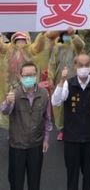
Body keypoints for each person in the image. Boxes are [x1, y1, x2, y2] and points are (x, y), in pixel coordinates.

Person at [52, 53, 90, 190]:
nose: (83, 68)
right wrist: (61, 81)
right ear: (75, 66)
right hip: (71, 138)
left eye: (86, 65)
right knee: (72, 175)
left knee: (88, 175)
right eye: (80, 65)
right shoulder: (68, 84)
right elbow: (56, 101)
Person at [0, 62, 52, 190]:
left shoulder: (44, 94)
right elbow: (5, 111)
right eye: (26, 75)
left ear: (36, 75)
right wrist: (8, 102)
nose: (29, 78)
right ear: (20, 76)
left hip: (36, 144)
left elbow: (47, 119)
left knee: (34, 182)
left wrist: (46, 139)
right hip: (17, 145)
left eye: (32, 75)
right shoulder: (14, 93)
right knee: (16, 182)